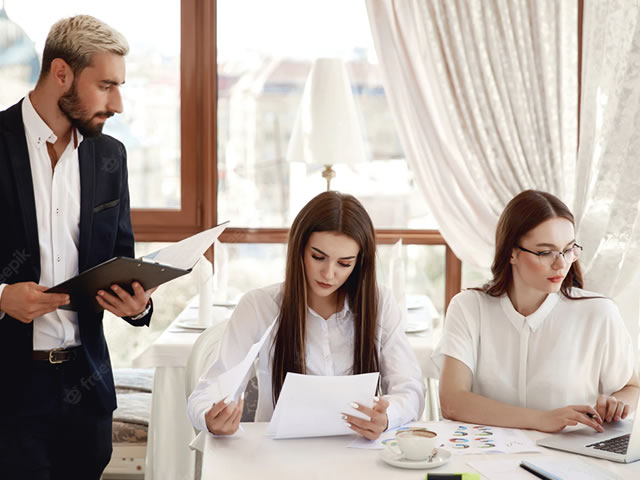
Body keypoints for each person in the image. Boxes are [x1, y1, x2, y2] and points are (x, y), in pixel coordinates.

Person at [0, 15, 154, 479]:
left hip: (86, 392)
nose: (119, 104)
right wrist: (3, 297)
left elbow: (119, 256)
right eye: (106, 85)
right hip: (10, 391)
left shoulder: (110, 156)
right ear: (61, 72)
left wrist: (138, 305)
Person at [188, 191, 424, 440]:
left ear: (359, 263)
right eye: (318, 257)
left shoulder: (379, 303)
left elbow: (411, 390)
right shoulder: (259, 306)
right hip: (279, 458)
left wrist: (388, 416)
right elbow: (207, 393)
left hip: (358, 453)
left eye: (344, 263)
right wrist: (211, 418)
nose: (329, 273)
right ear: (298, 249)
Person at [434, 189, 640, 433]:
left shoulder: (599, 312)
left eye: (568, 250)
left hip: (570, 460)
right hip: (486, 460)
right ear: (511, 252)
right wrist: (541, 419)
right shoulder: (468, 307)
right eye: (545, 252)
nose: (561, 264)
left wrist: (617, 405)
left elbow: (631, 388)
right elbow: (452, 402)